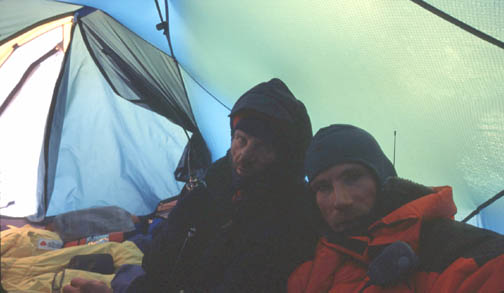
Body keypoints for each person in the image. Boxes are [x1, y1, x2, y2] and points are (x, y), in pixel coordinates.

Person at [65, 78, 318, 292]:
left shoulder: (290, 218)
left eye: (261, 147)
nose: (244, 155)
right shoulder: (213, 186)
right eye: (241, 140)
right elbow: (162, 269)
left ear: (285, 157)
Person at [288, 124, 504, 293]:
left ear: (383, 181)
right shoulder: (310, 264)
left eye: (353, 177)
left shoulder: (449, 248)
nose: (340, 201)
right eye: (323, 187)